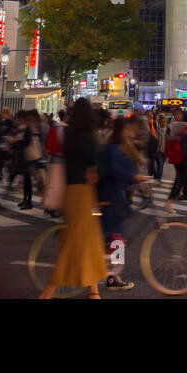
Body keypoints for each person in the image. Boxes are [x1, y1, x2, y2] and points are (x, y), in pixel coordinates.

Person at [42, 98, 109, 298]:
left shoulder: (69, 136)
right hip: (83, 193)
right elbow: (95, 163)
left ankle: (93, 290)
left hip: (70, 192)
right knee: (77, 243)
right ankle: (49, 291)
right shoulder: (88, 137)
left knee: (88, 240)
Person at [99, 116, 148, 292]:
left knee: (114, 239)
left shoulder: (119, 146)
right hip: (112, 198)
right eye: (128, 129)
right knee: (117, 239)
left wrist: (135, 179)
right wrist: (133, 177)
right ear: (121, 130)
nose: (130, 133)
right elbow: (115, 170)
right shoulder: (113, 148)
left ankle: (112, 275)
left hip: (116, 197)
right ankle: (110, 274)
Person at [163, 111, 187, 213]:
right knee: (182, 180)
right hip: (185, 157)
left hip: (176, 156)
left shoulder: (176, 126)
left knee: (181, 179)